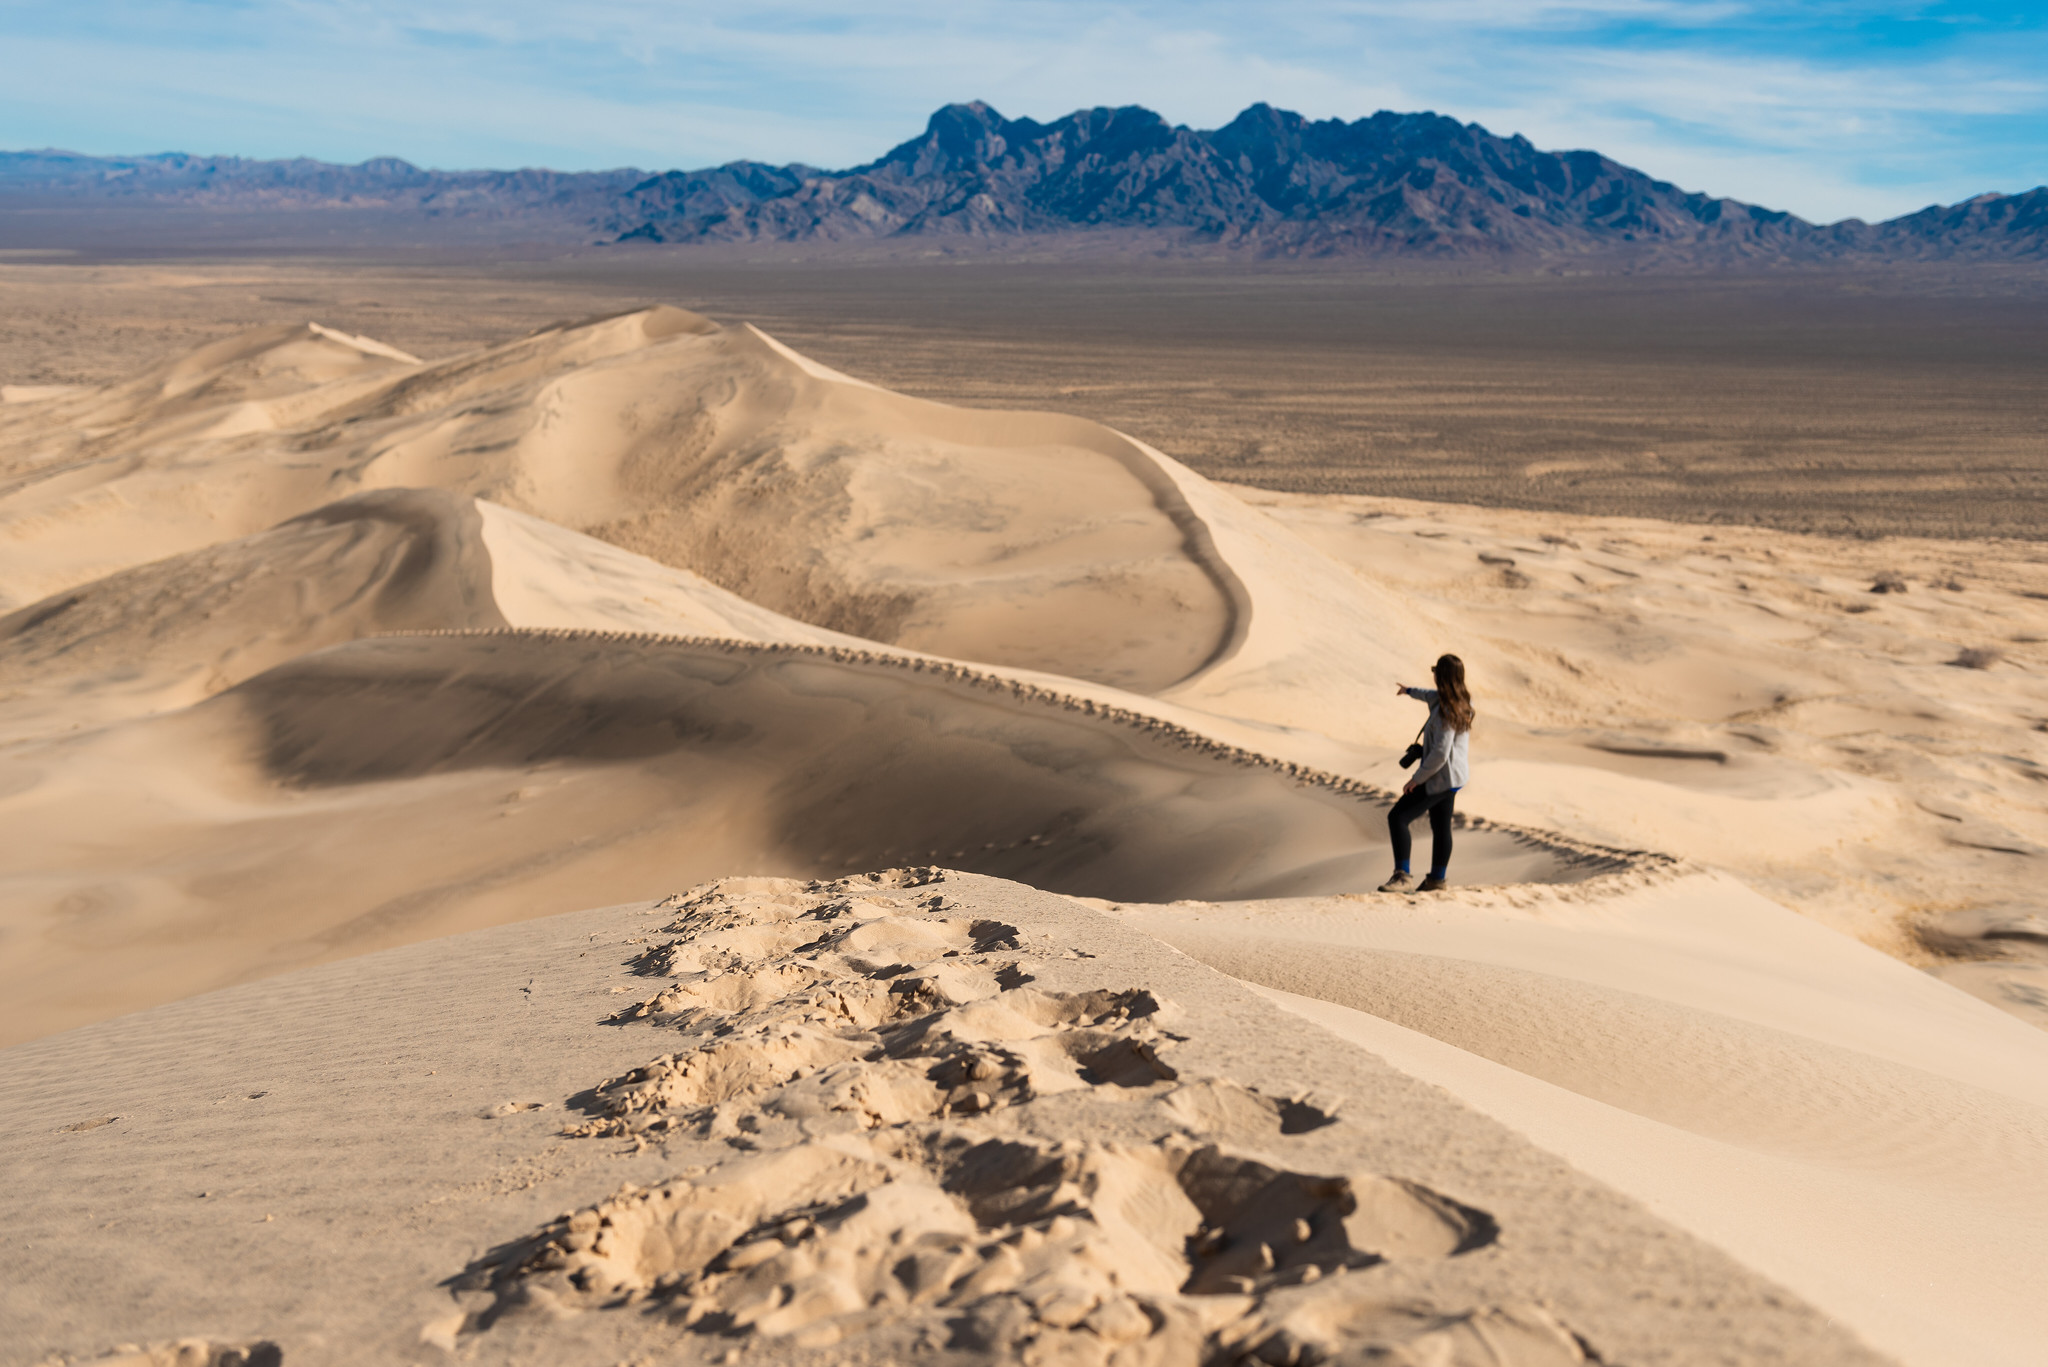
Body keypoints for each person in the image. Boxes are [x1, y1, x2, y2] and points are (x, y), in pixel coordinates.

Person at [1380, 654, 1473, 893]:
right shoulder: (1457, 701)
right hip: (1454, 779)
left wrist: (1416, 779)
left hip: (1440, 777)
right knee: (1441, 826)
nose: (1432, 674)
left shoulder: (1446, 711)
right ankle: (1436, 880)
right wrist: (1409, 691)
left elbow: (1441, 754)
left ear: (1440, 676)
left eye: (1435, 670)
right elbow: (1427, 694)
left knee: (1398, 817)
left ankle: (1402, 877)